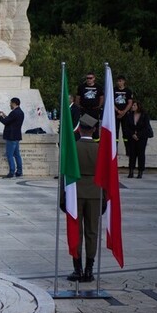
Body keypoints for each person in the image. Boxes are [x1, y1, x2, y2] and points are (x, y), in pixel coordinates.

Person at [65, 115, 103, 283]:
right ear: (94, 130)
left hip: (76, 194)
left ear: (79, 129)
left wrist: (63, 198)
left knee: (76, 232)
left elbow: (65, 175)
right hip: (95, 194)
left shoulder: (72, 148)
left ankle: (77, 268)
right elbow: (106, 176)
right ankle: (89, 269)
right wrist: (105, 198)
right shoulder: (101, 149)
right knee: (92, 232)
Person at [125, 100, 153, 179]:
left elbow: (146, 127)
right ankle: (131, 171)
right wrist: (132, 134)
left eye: (134, 105)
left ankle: (140, 172)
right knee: (132, 154)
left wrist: (138, 135)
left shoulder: (144, 115)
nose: (132, 107)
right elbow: (126, 127)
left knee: (141, 154)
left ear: (138, 107)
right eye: (132, 105)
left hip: (142, 138)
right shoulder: (129, 115)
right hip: (132, 137)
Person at [0, 97, 24, 178]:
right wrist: (5, 115)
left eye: (10, 103)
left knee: (9, 155)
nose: (10, 104)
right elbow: (11, 121)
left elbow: (6, 122)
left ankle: (11, 172)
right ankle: (19, 171)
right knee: (17, 155)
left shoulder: (14, 113)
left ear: (14, 103)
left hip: (11, 137)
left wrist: (0, 117)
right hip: (17, 136)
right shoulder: (21, 112)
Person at [76, 72, 104, 138]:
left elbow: (101, 97)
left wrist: (99, 106)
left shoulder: (98, 87)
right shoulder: (82, 87)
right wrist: (79, 106)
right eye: (87, 78)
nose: (88, 79)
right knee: (85, 126)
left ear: (94, 78)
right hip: (85, 110)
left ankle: (95, 142)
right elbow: (78, 98)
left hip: (94, 110)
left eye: (90, 78)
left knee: (95, 128)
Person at [113, 75, 134, 150]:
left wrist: (123, 112)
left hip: (125, 115)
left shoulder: (128, 91)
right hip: (115, 114)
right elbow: (111, 102)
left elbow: (130, 103)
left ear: (124, 81)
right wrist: (118, 111)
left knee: (126, 132)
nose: (119, 83)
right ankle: (115, 150)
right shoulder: (113, 90)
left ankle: (128, 150)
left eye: (120, 81)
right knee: (115, 132)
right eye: (118, 81)